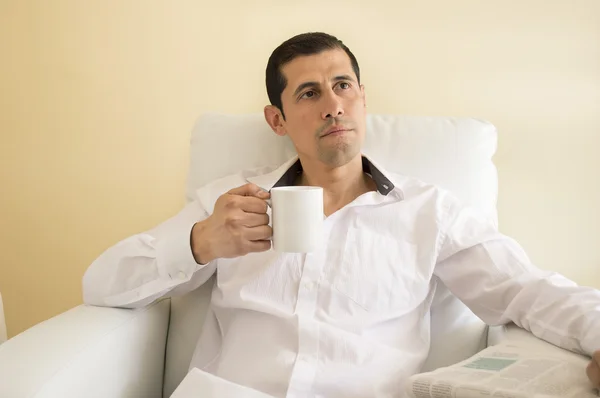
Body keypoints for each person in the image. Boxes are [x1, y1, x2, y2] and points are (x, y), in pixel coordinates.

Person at [82, 32, 600, 397]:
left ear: (362, 99)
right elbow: (101, 284)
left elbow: (526, 289)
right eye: (309, 93)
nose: (333, 105)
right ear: (277, 119)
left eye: (343, 85)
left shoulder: (429, 212)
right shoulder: (230, 202)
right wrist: (201, 242)